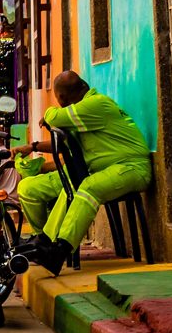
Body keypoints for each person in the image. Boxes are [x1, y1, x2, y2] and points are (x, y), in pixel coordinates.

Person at [14, 70, 151, 277]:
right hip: (106, 169)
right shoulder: (84, 111)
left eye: (58, 99)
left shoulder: (96, 104)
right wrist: (34, 147)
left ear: (61, 97)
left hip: (131, 168)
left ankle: (59, 250)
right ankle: (44, 241)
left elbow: (55, 117)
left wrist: (50, 113)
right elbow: (62, 143)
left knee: (87, 187)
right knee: (57, 185)